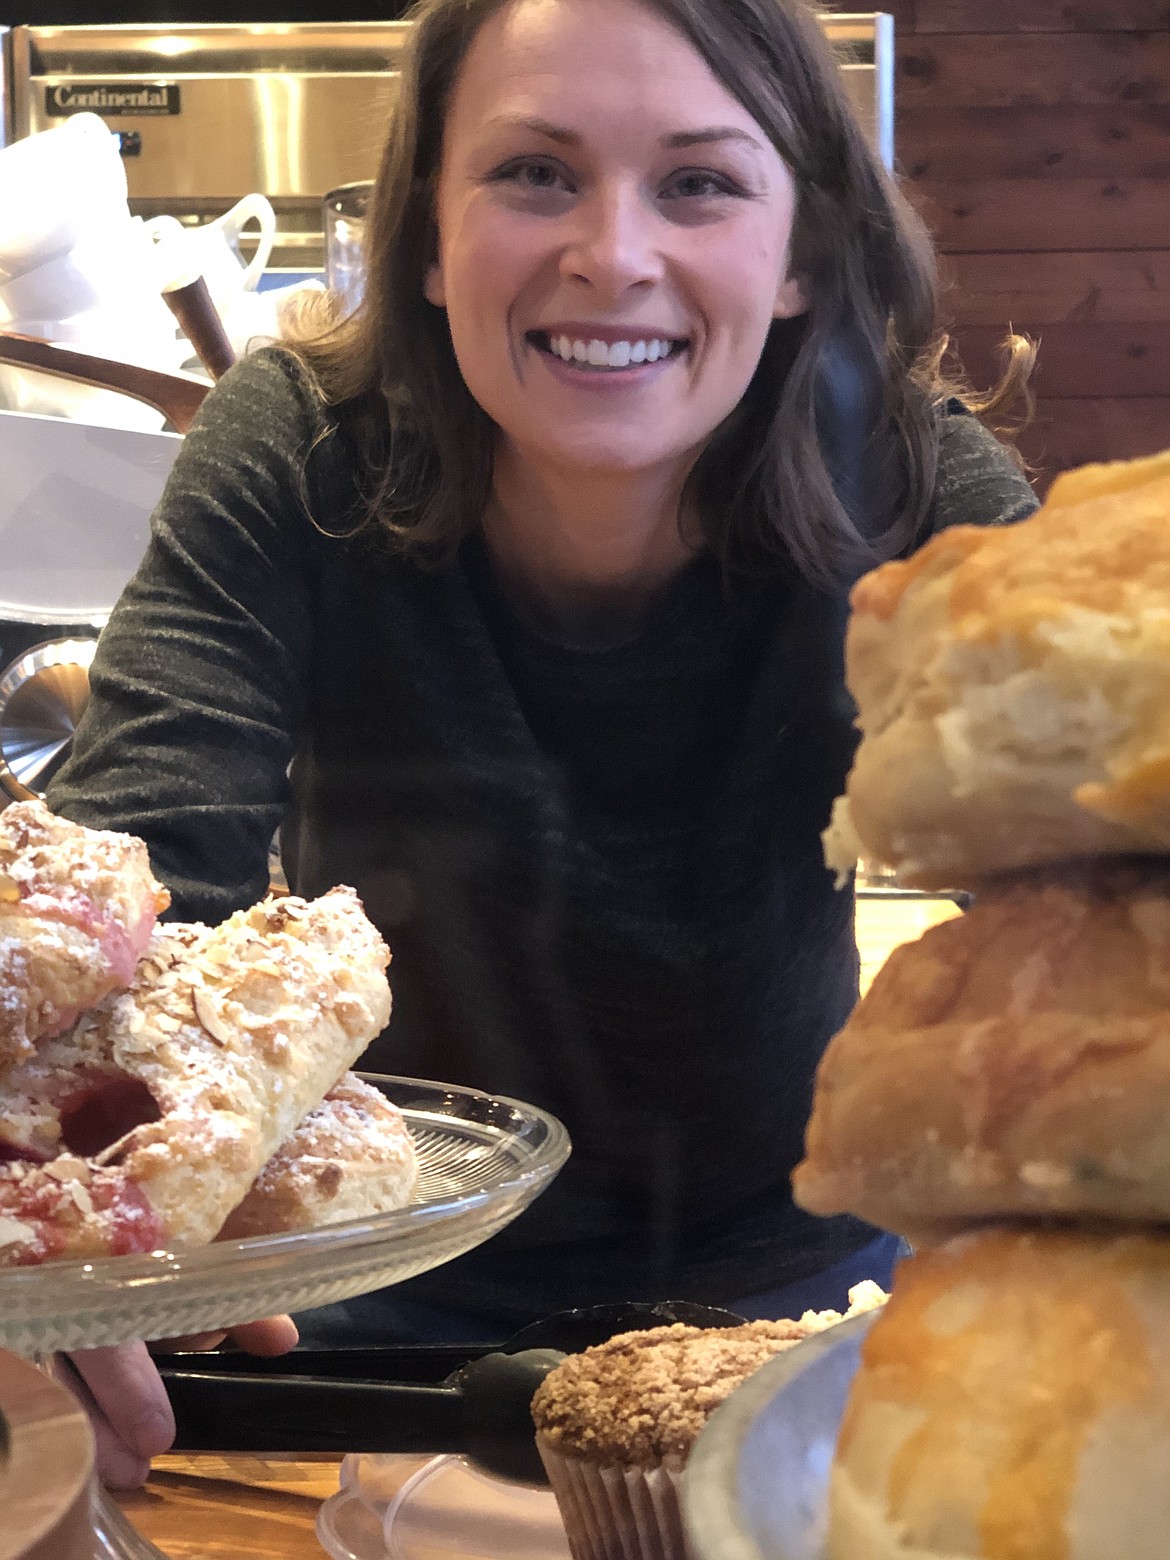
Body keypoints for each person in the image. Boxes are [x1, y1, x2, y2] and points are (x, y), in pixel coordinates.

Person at [45, 0, 1038, 1484]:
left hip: (800, 1331)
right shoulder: (298, 448)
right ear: (428, 241)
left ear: (801, 258)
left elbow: (1095, 914)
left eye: (698, 182)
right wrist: (74, 1240)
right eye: (532, 174)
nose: (612, 255)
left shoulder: (915, 491)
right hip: (334, 1322)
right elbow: (125, 879)